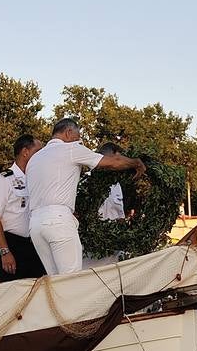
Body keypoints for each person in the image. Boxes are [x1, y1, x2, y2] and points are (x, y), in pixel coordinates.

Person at [24, 118, 145, 275]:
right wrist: (136, 163)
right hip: (58, 220)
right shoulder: (71, 149)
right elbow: (113, 162)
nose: (78, 140)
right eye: (77, 136)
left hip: (35, 225)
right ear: (68, 132)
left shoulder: (34, 159)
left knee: (55, 281)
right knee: (73, 280)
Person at [0, 135, 45, 281]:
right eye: (38, 151)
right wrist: (5, 252)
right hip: (13, 245)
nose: (43, 156)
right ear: (25, 152)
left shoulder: (38, 179)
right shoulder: (3, 180)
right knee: (13, 296)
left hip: (36, 244)